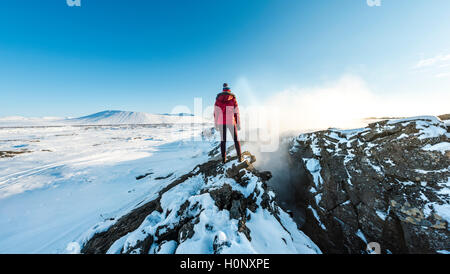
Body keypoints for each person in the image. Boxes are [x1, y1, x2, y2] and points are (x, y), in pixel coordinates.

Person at [214, 83, 242, 163]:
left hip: (221, 122)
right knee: (236, 140)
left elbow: (216, 113)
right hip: (231, 121)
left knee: (223, 141)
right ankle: (239, 157)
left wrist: (216, 124)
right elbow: (236, 112)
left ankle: (223, 159)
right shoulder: (233, 98)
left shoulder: (218, 99)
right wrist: (238, 123)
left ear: (223, 90)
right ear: (229, 89)